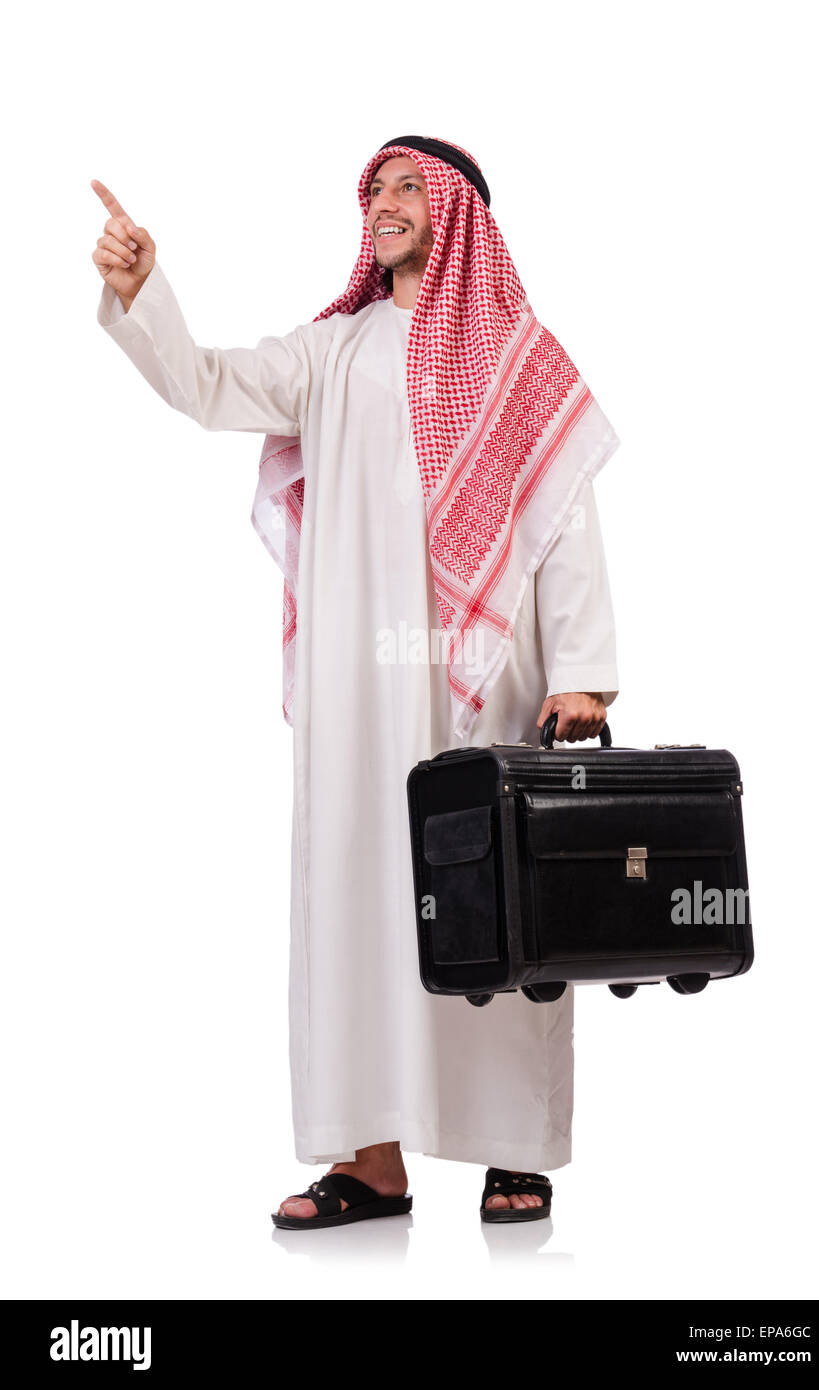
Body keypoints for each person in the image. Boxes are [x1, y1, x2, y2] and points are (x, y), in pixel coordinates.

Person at [91, 135, 621, 1228]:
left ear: (459, 213)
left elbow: (567, 520)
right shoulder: (331, 352)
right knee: (357, 900)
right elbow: (209, 384)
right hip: (351, 689)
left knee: (499, 895)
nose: (380, 202)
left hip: (484, 685)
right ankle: (368, 1159)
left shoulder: (518, 357)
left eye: (404, 187)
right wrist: (147, 292)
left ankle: (513, 1149)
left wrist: (583, 675)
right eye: (372, 187)